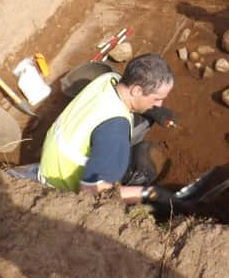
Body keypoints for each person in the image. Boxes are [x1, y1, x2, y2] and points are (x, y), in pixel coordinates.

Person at [38, 53, 183, 209]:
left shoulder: (108, 78)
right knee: (141, 172)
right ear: (136, 90)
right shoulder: (115, 131)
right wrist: (150, 193)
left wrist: (152, 110)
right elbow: (93, 194)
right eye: (157, 99)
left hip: (53, 161)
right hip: (61, 188)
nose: (160, 104)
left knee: (143, 121)